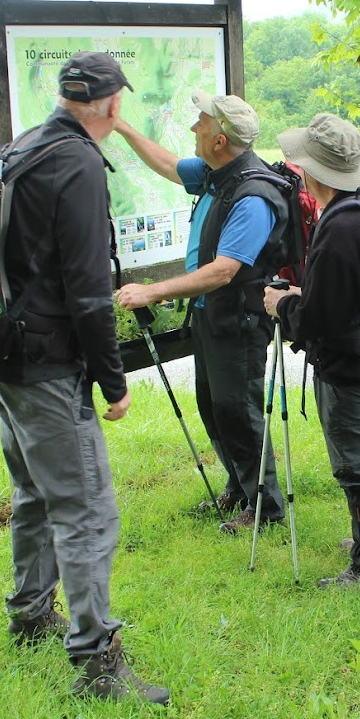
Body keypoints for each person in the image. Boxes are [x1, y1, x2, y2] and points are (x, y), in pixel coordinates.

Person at [0, 51, 168, 704]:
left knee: (36, 490)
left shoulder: (27, 145)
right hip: (47, 362)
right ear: (114, 106)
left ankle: (31, 614)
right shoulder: (80, 165)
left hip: (2, 352)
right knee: (87, 510)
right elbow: (91, 291)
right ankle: (97, 665)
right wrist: (113, 381)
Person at [113, 91, 290, 535]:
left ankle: (265, 507)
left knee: (240, 410)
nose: (194, 127)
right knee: (213, 405)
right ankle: (239, 485)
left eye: (202, 122)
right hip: (212, 316)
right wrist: (121, 126)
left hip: (240, 319)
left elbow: (224, 271)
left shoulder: (252, 195)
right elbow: (169, 166)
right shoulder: (217, 172)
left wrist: (153, 291)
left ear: (220, 140)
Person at [263, 114, 360, 589]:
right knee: (358, 454)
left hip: (350, 363)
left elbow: (322, 317)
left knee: (356, 462)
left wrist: (284, 304)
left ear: (314, 170)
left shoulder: (343, 229)